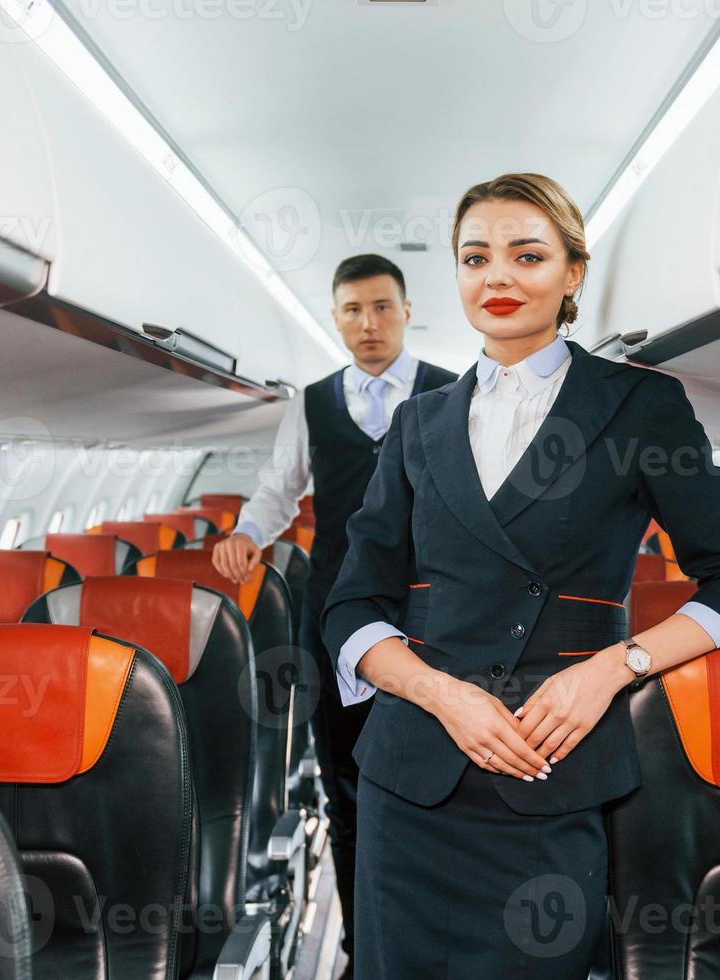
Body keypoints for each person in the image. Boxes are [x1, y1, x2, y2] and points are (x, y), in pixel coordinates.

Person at [321, 174, 720, 977]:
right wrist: (441, 694)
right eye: (475, 257)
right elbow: (353, 605)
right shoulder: (418, 424)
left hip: (555, 765)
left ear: (572, 273)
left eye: (526, 255)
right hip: (414, 782)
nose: (496, 277)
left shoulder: (639, 406)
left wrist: (614, 668)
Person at [210, 252, 458, 976]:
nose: (368, 323)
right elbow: (278, 490)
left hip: (433, 620)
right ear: (336, 317)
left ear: (408, 311)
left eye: (382, 307)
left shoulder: (454, 393)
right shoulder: (312, 402)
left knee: (439, 788)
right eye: (353, 310)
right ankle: (363, 950)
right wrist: (249, 535)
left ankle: (434, 947)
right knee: (350, 793)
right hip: (338, 620)